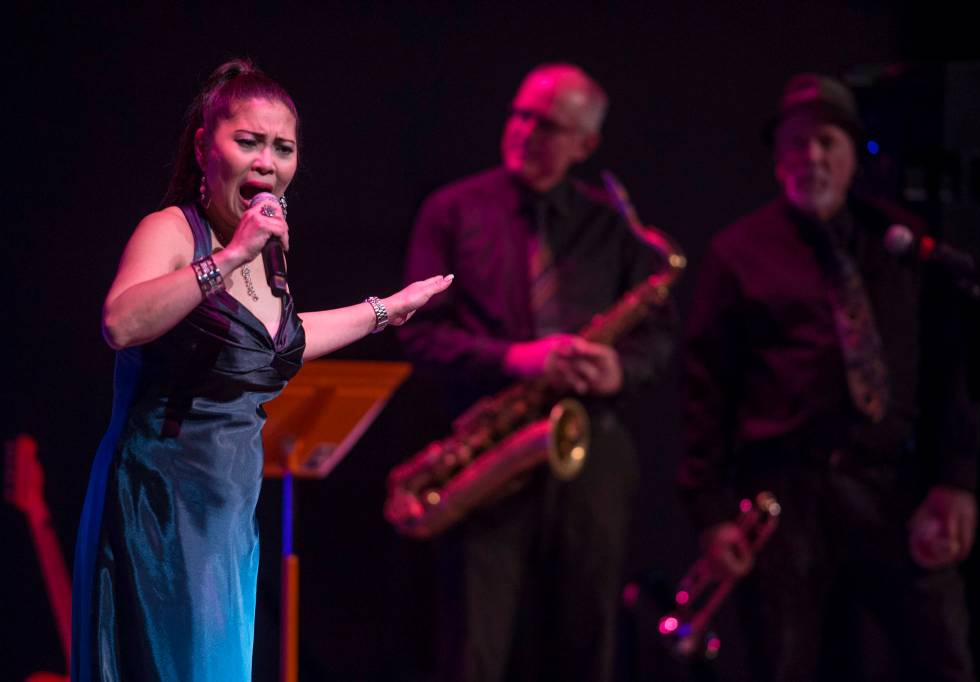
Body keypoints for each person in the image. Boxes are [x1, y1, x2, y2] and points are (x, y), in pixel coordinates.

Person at [70, 59, 451, 682]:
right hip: (160, 507)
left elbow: (284, 341)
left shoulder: (267, 260)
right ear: (203, 146)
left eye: (283, 147)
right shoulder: (174, 232)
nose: (266, 162)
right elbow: (122, 323)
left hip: (228, 511)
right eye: (247, 141)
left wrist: (388, 309)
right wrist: (231, 254)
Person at [677, 73, 980, 681]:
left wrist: (956, 480)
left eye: (826, 143)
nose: (810, 158)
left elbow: (951, 367)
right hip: (787, 491)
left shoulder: (900, 242)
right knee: (785, 661)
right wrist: (710, 512)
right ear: (776, 157)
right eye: (795, 144)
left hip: (890, 484)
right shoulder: (739, 253)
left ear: (852, 157)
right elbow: (703, 390)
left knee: (942, 655)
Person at [398, 63, 677, 682]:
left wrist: (617, 370)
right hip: (487, 445)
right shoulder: (453, 210)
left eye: (547, 125)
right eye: (520, 114)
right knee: (474, 648)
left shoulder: (613, 224)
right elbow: (416, 334)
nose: (525, 131)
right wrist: (514, 358)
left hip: (589, 450)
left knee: (585, 644)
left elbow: (658, 334)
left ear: (586, 145)